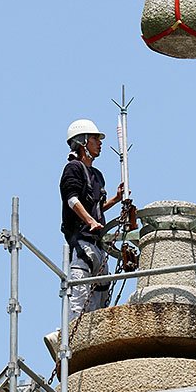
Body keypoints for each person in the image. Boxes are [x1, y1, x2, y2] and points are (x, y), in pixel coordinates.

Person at [44, 119, 123, 359]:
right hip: (82, 243)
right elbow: (72, 200)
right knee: (79, 297)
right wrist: (89, 221)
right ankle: (69, 342)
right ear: (82, 142)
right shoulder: (73, 169)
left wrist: (115, 200)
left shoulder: (97, 176)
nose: (99, 143)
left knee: (100, 298)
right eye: (95, 138)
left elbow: (96, 208)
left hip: (97, 245)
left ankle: (92, 345)